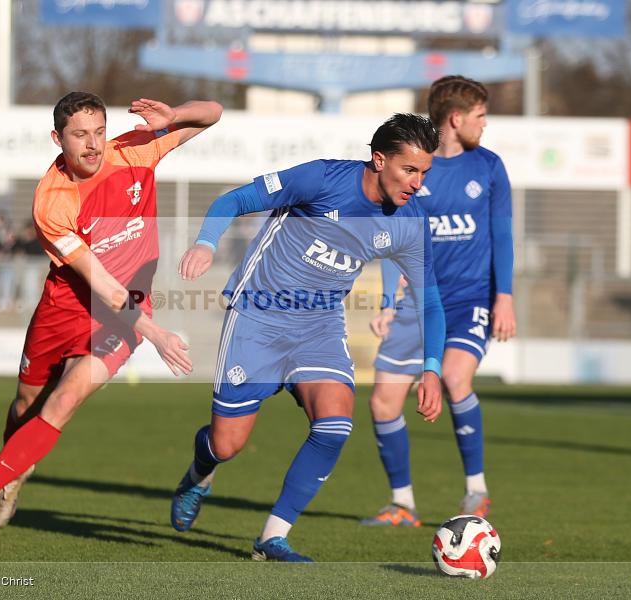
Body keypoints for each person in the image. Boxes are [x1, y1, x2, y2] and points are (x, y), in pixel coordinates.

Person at [0, 92, 222, 527]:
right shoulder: (52, 201)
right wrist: (157, 332)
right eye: (80, 135)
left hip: (122, 316)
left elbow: (213, 113)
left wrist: (175, 116)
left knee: (66, 398)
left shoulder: (135, 149)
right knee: (25, 406)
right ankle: (14, 473)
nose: (92, 144)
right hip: (66, 305)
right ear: (58, 138)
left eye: (99, 132)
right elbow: (102, 284)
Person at [169, 113, 446, 562]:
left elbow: (430, 302)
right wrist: (206, 242)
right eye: (409, 170)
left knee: (336, 421)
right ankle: (200, 473)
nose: (417, 183)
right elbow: (232, 200)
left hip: (318, 325)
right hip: (257, 317)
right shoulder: (320, 179)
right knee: (226, 444)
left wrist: (431, 368)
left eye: (424, 173)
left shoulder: (409, 220)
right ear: (379, 160)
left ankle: (271, 537)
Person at [361, 76, 515, 527]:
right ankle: (402, 504)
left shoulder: (488, 166)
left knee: (451, 376)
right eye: (481, 116)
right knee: (384, 403)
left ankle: (476, 491)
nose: (485, 125)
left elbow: (502, 236)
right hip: (419, 302)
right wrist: (389, 301)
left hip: (471, 299)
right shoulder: (415, 167)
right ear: (456, 118)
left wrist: (503, 297)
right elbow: (397, 238)